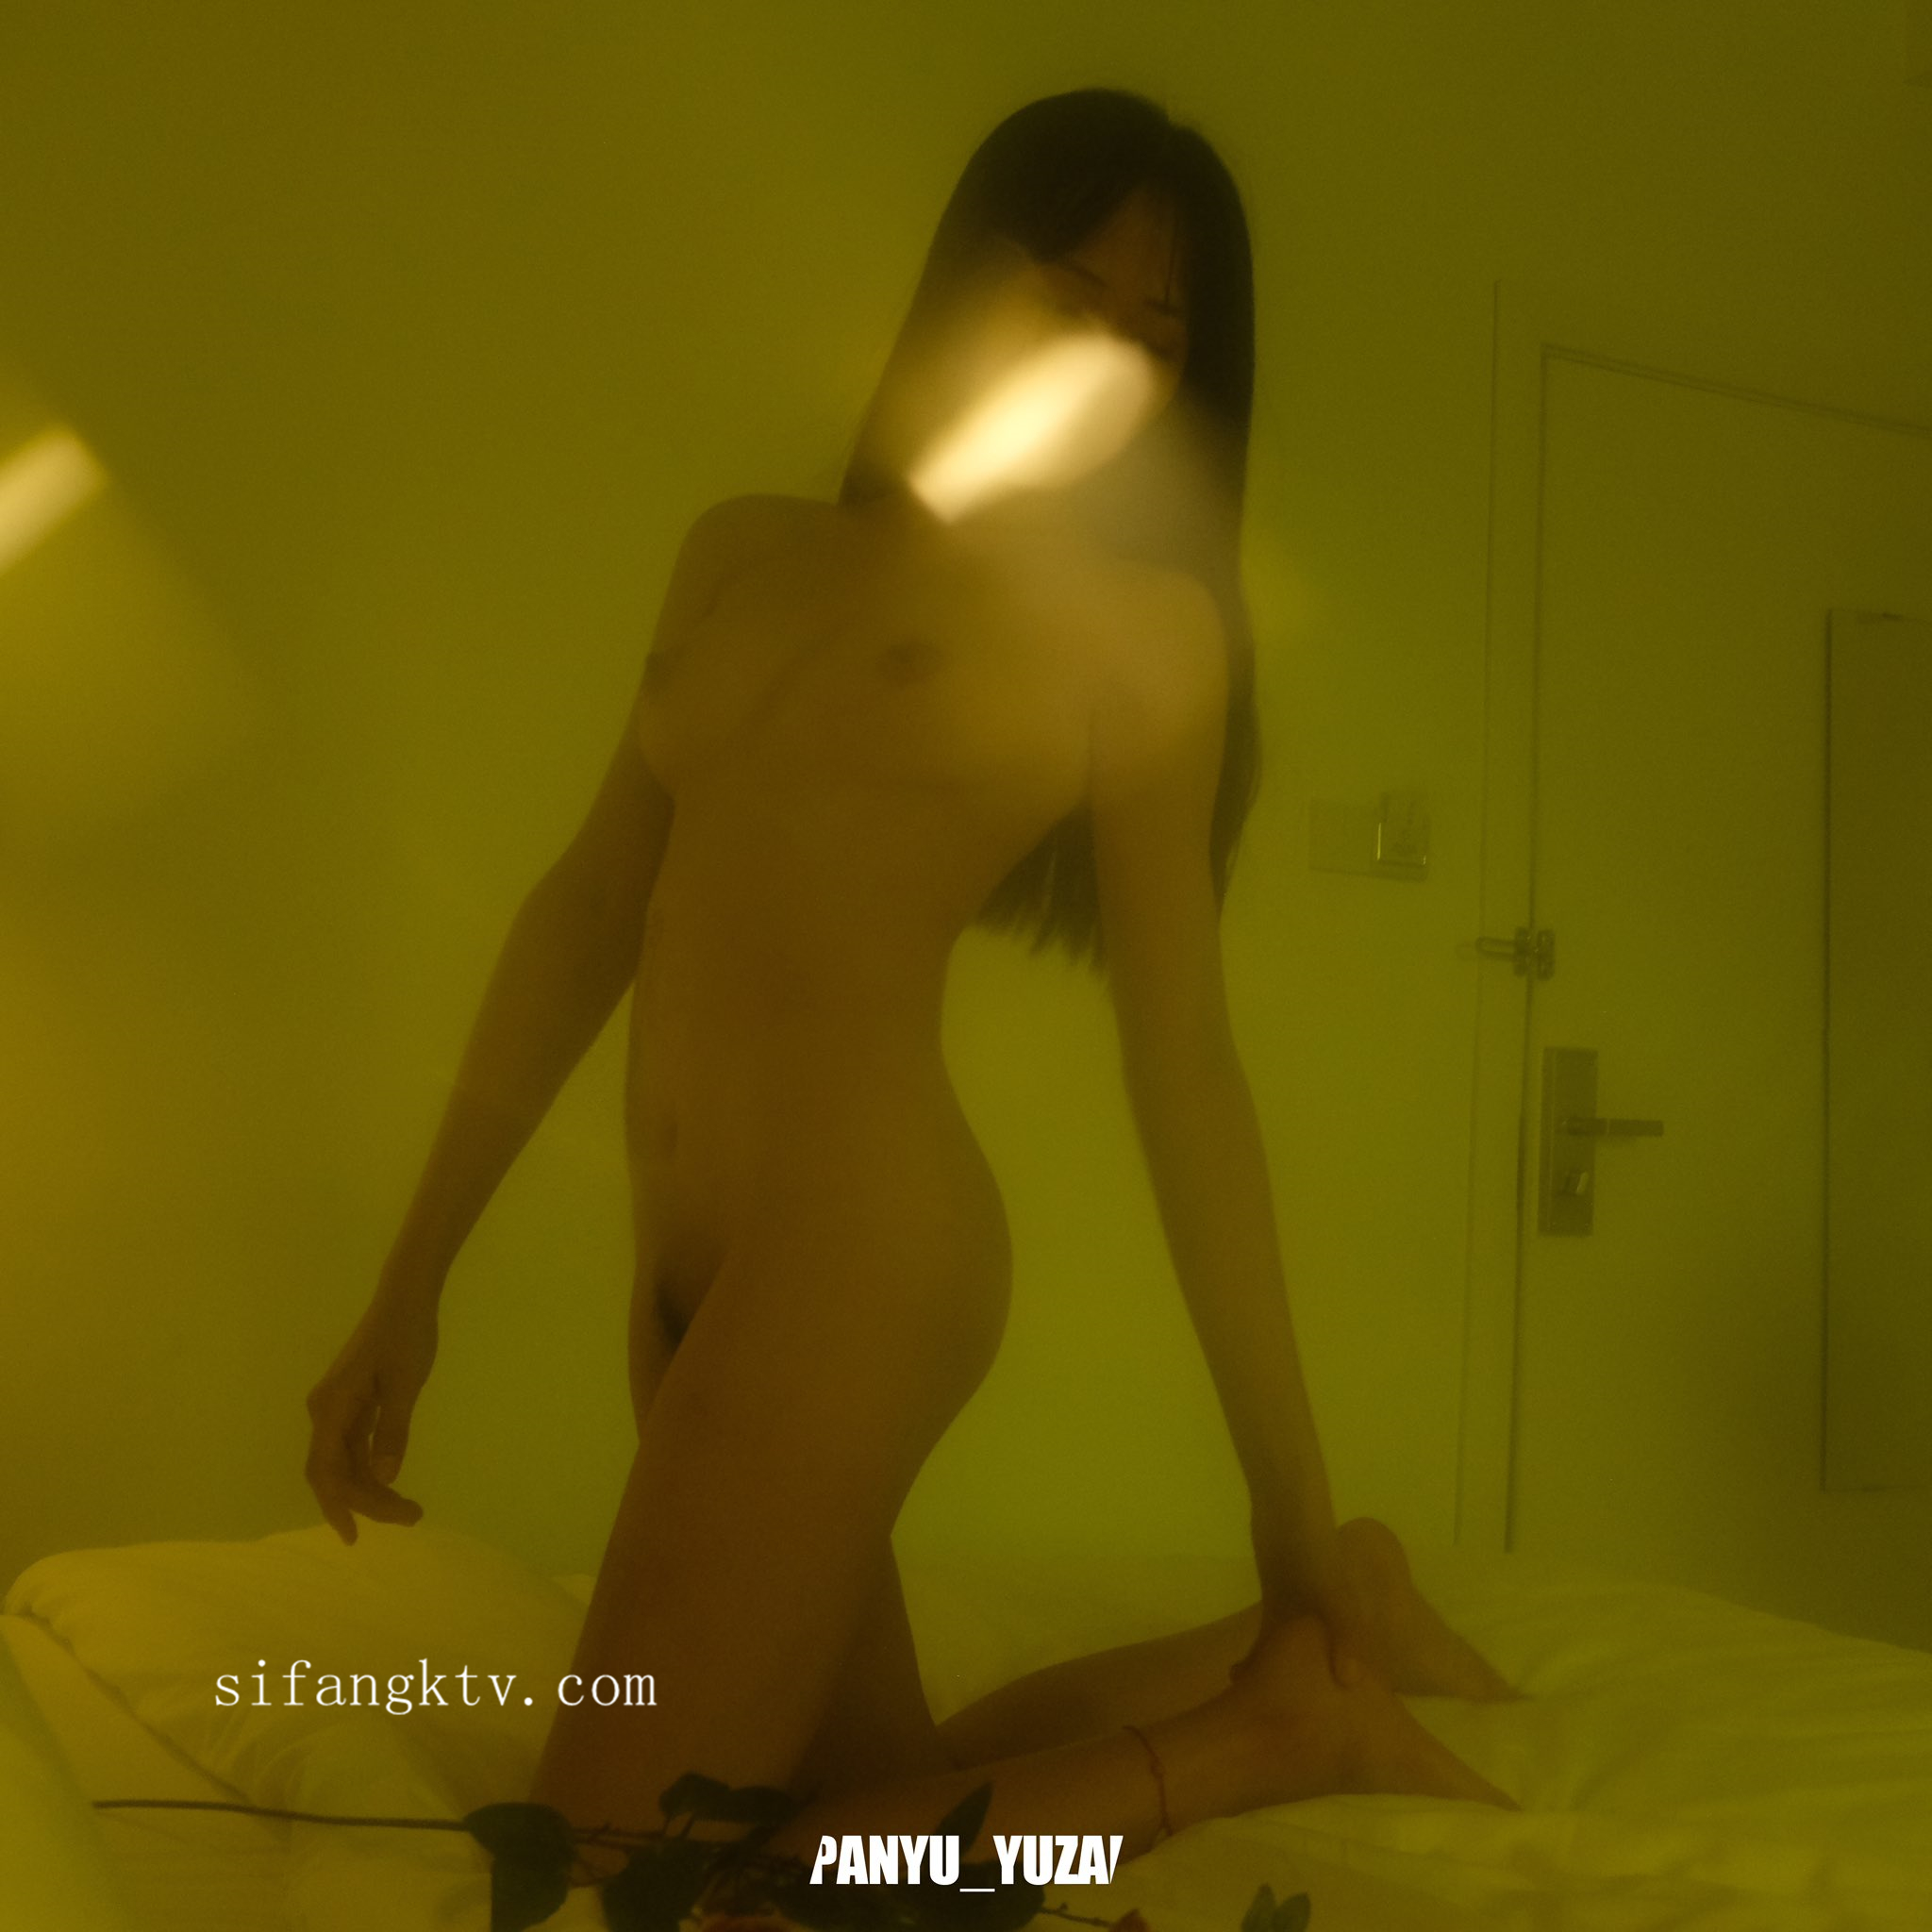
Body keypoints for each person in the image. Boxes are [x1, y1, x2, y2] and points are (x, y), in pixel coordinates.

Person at [303, 87, 1517, 1890]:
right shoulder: (742, 550)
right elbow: (588, 908)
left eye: (1156, 331)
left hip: (862, 1251)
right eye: (1067, 291)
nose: (1105, 352)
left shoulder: (1137, 631)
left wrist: (1284, 1511)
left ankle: (1274, 1731)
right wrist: (411, 1283)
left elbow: (1185, 1066)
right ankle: (1350, 1615)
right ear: (967, 277)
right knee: (881, 1794)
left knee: (631, 1865)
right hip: (684, 1267)